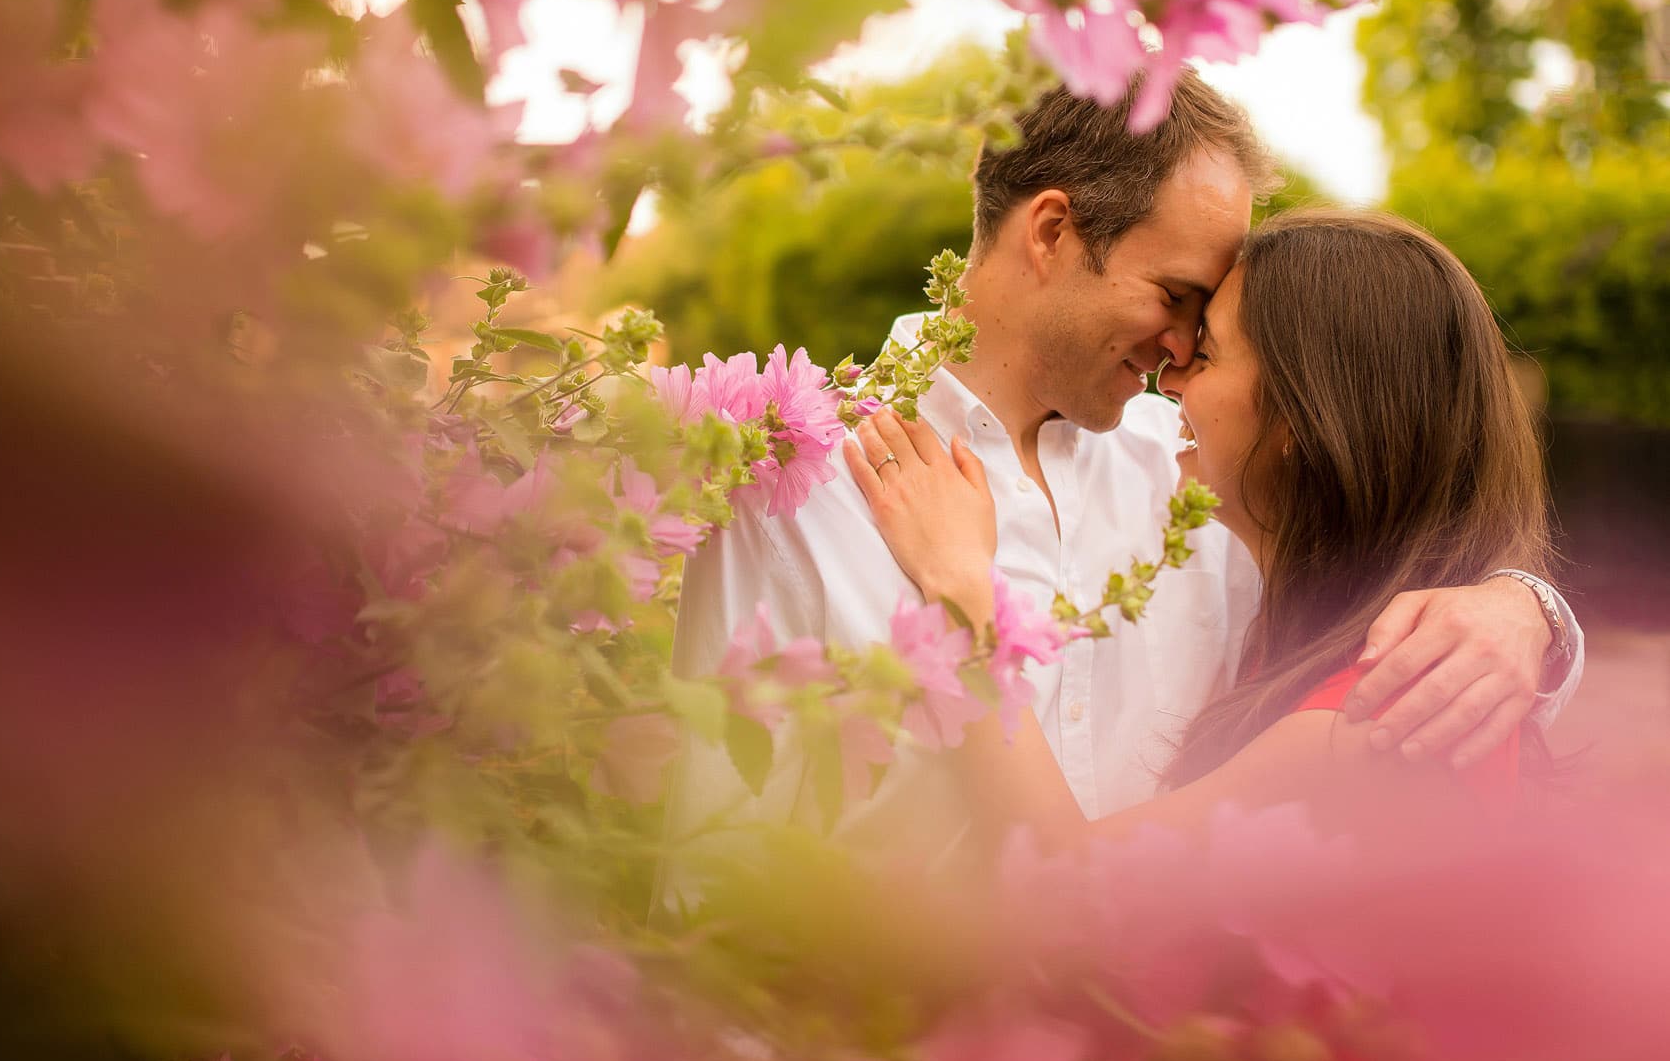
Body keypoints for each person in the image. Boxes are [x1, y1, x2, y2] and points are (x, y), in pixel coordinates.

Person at [664, 73, 1581, 873]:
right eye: (1177, 295)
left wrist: (1526, 610)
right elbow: (717, 858)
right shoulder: (799, 484)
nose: (1182, 350)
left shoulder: (1206, 482)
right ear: (1055, 231)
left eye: (1210, 319)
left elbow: (1391, 594)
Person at [846, 208, 1560, 848]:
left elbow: (1062, 894)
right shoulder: (1312, 625)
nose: (1173, 374)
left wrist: (964, 590)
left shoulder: (1376, 716)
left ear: (1301, 419)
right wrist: (1533, 605)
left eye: (1210, 350)